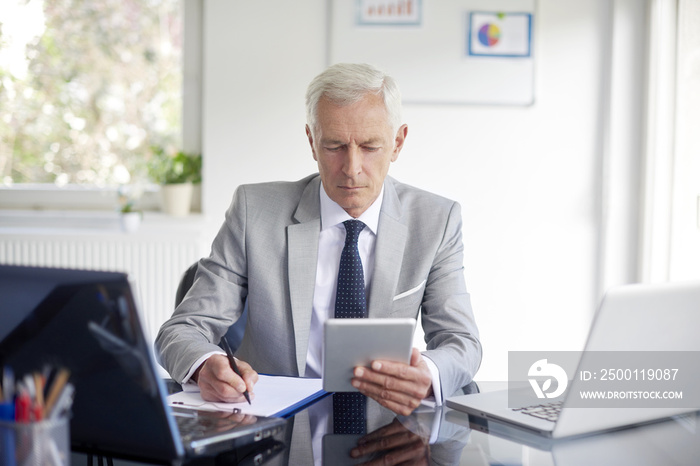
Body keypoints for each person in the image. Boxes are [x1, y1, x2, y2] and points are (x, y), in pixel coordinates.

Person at [155, 63, 481, 416]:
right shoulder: (254, 211)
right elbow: (182, 329)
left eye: (370, 146)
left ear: (397, 142)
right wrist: (205, 364)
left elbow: (462, 342)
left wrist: (429, 373)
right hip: (275, 423)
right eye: (335, 146)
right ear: (312, 141)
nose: (352, 167)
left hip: (385, 424)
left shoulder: (436, 221)